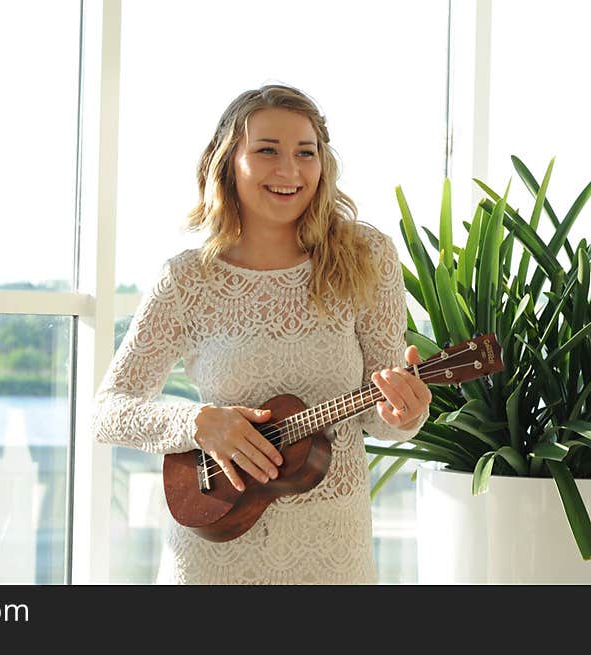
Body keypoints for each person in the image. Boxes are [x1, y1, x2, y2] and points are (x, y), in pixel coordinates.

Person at [90, 84, 433, 584]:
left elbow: (381, 418)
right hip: (213, 546)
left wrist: (407, 411)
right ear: (229, 161)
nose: (289, 171)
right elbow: (108, 411)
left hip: (331, 546)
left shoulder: (367, 257)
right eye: (267, 151)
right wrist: (199, 423)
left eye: (305, 153)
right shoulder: (188, 279)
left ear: (324, 164)